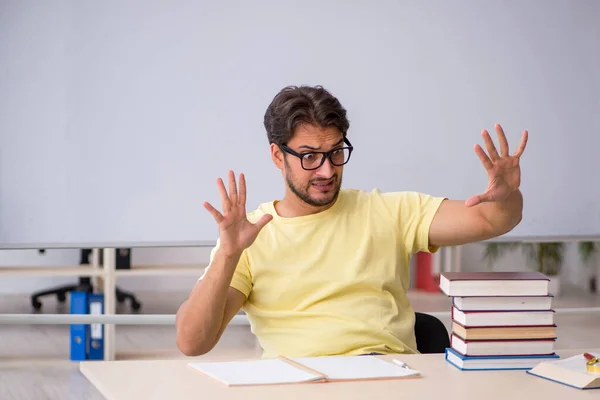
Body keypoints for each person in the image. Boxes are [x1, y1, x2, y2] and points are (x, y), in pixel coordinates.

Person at [175, 85, 528, 358]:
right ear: (277, 156)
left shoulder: (388, 211)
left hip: (390, 380)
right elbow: (192, 342)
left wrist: (507, 196)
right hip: (299, 386)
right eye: (310, 157)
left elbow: (489, 219)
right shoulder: (250, 237)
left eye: (335, 153)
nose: (327, 170)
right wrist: (228, 255)